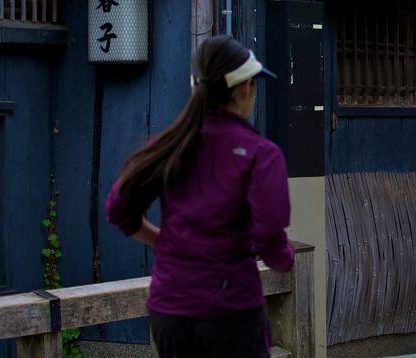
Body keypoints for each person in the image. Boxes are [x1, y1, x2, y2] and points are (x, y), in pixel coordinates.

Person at [105, 35, 294, 358]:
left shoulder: (171, 146)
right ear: (246, 88)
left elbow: (119, 209)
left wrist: (162, 241)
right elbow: (269, 235)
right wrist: (284, 260)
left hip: (171, 308)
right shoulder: (260, 154)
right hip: (231, 308)